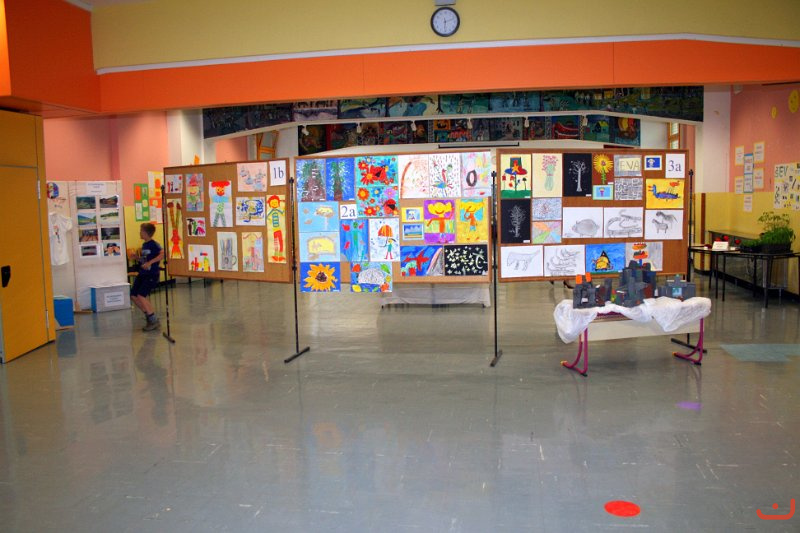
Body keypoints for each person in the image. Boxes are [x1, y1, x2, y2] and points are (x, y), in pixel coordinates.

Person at [131, 223, 164, 331]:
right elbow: (144, 261)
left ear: (145, 233)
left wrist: (150, 263)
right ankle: (148, 315)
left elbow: (162, 254)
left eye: (141, 231)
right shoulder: (144, 245)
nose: (140, 233)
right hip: (143, 273)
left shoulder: (154, 244)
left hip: (151, 274)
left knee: (141, 295)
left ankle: (153, 320)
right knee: (133, 295)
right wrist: (137, 258)